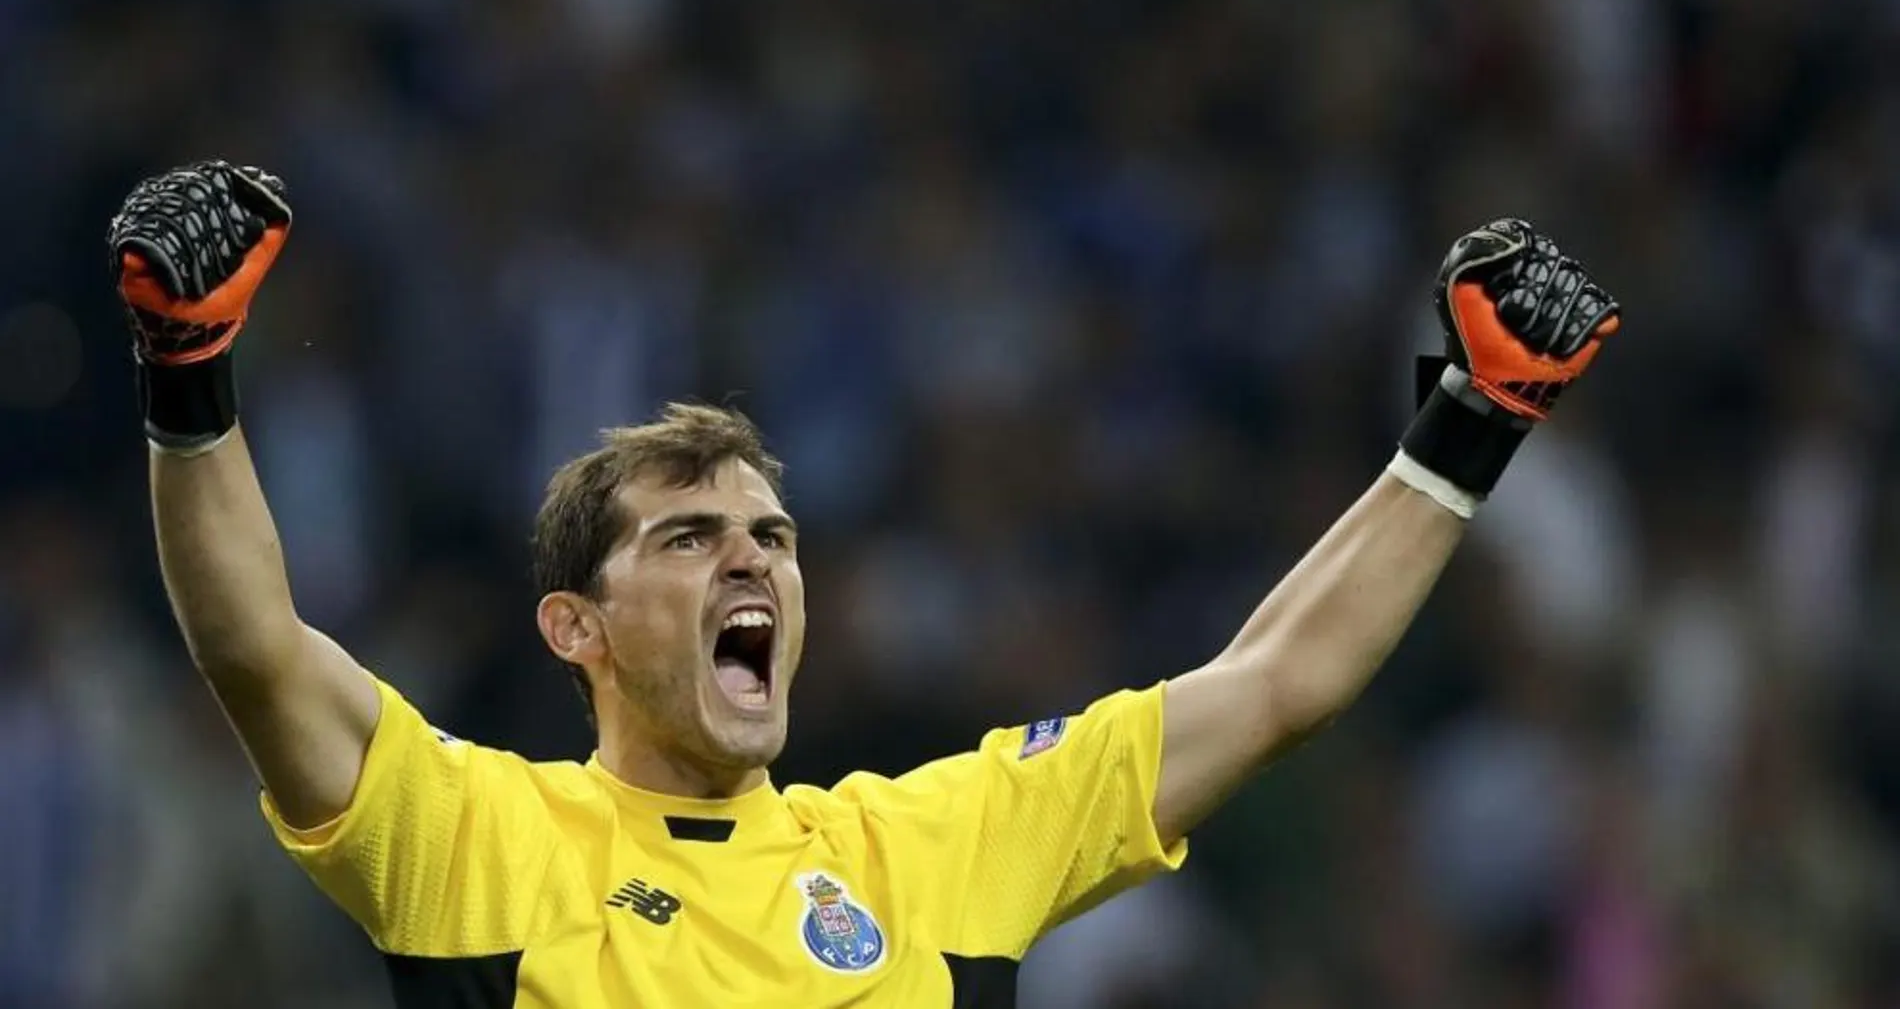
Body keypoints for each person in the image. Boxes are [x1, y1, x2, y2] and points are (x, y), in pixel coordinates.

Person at [106, 161, 1620, 1008]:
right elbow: (255, 647)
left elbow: (1278, 683)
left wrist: (1465, 429)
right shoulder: (482, 841)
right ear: (575, 627)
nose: (751, 558)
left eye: (771, 537)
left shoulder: (930, 850)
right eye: (688, 540)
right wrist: (191, 378)